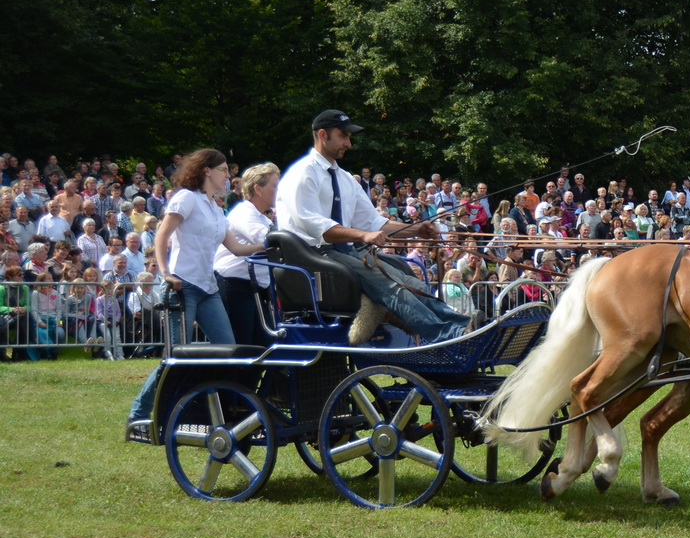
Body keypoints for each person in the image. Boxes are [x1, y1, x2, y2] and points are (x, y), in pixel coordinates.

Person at [278, 110, 470, 345]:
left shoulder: (345, 178)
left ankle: (462, 327)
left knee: (412, 283)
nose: (348, 143)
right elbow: (314, 225)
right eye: (343, 136)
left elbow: (373, 222)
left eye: (349, 137)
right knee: (391, 286)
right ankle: (448, 336)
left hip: (345, 251)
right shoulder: (302, 174)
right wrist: (363, 235)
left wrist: (416, 229)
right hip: (314, 257)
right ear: (322, 135)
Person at [125, 150, 270, 427]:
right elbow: (162, 235)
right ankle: (140, 413)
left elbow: (237, 248)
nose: (228, 176)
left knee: (227, 349)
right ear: (207, 171)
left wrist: (272, 245)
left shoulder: (216, 208)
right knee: (177, 355)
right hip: (184, 285)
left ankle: (201, 407)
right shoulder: (185, 198)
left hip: (209, 287)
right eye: (224, 170)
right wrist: (165, 273)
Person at [214, 162, 280, 346]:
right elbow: (269, 239)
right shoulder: (244, 212)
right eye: (275, 185)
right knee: (243, 346)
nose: (279, 190)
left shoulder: (261, 216)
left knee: (264, 345)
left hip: (254, 287)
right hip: (235, 285)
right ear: (258, 189)